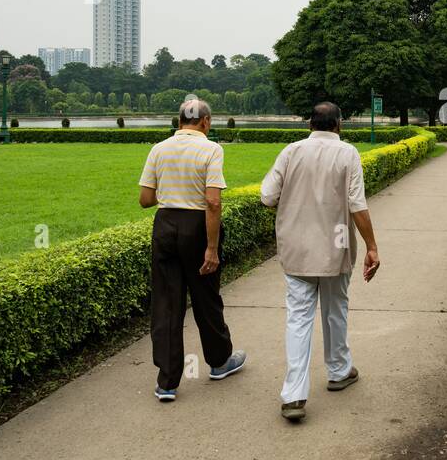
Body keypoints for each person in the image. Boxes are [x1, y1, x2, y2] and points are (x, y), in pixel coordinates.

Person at [260, 101, 380, 422]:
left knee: (298, 319)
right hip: (336, 243)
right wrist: (371, 246)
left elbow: (268, 196)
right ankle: (339, 370)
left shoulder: (291, 152)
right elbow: (356, 204)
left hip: (296, 247)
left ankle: (294, 395)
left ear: (310, 124)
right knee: (335, 309)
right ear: (339, 125)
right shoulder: (348, 154)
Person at [139, 97, 246, 402]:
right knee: (205, 297)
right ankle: (219, 361)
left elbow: (146, 199)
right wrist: (211, 248)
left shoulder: (159, 149)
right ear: (206, 122)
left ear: (179, 121)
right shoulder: (211, 149)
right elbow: (212, 201)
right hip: (197, 226)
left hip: (166, 224)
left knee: (167, 302)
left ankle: (168, 381)